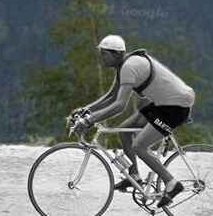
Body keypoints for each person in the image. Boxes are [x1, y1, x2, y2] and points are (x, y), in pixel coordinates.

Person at [72, 35, 195, 208]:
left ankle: (173, 184)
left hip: (175, 106)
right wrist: (87, 110)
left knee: (139, 146)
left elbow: (119, 105)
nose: (101, 58)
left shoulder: (129, 66)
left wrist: (89, 120)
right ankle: (134, 176)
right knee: (124, 131)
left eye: (104, 54)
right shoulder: (123, 65)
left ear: (115, 54)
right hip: (163, 103)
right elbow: (112, 96)